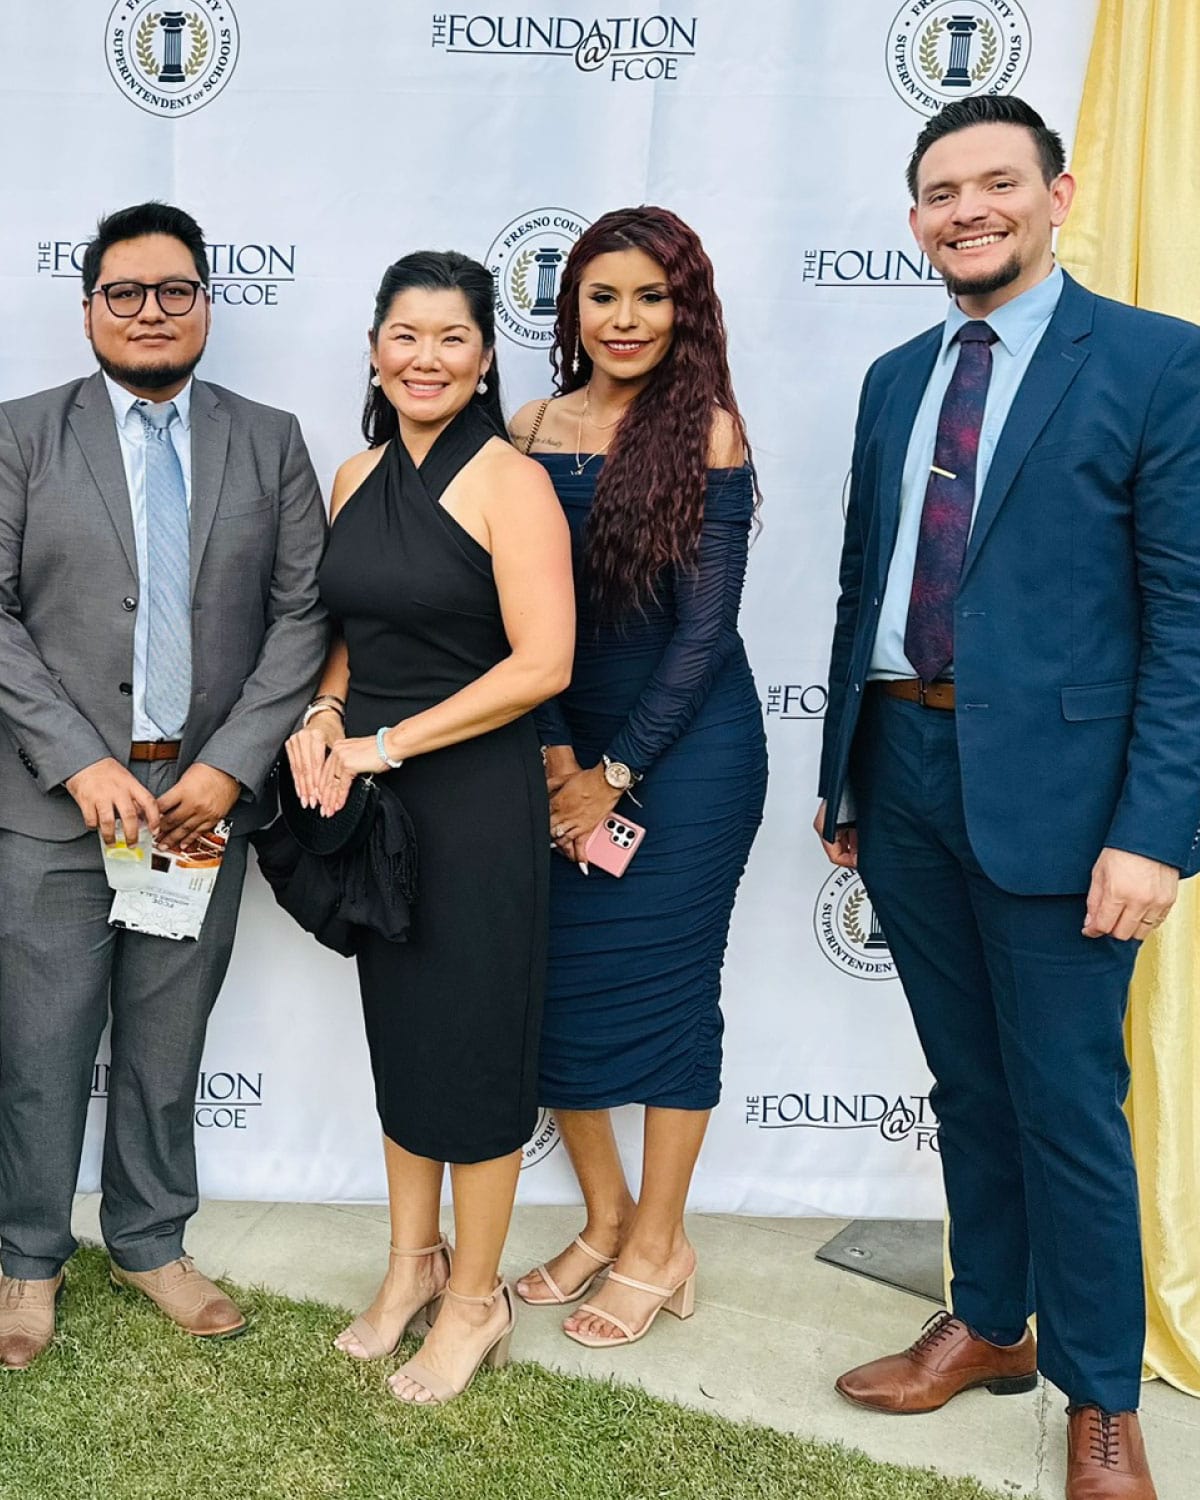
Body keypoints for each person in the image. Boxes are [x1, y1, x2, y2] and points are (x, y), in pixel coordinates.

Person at [815, 96, 1200, 1500]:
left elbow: (1190, 617)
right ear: (915, 216)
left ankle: (1102, 1400)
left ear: (1059, 193)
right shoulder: (891, 375)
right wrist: (845, 768)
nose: (966, 210)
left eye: (995, 184)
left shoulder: (1161, 364)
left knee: (1068, 1103)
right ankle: (987, 1322)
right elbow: (871, 583)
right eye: (939, 191)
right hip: (904, 770)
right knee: (969, 1083)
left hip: (1066, 797)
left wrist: (1158, 829)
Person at [0, 201, 328, 1369]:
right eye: (126, 292)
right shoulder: (21, 434)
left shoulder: (271, 438)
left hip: (199, 806)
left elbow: (302, 616)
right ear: (87, 304)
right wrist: (79, 760)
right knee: (39, 1045)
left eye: (175, 290)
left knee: (164, 1038)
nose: (151, 311)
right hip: (51, 806)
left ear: (205, 303)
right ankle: (26, 1263)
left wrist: (232, 767)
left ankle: (151, 1241)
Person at [285, 250, 573, 1405]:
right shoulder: (356, 474)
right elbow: (351, 632)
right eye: (405, 335)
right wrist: (324, 711)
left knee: (476, 1051)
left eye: (452, 337)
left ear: (486, 355)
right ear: (373, 349)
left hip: (473, 798)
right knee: (402, 1038)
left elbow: (544, 663)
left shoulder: (511, 480)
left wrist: (385, 744)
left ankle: (475, 1300)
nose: (426, 357)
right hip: (373, 793)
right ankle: (411, 1268)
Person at [508, 206, 767, 1349]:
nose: (625, 319)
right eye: (604, 295)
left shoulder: (707, 430)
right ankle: (607, 1217)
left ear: (685, 309)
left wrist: (614, 771)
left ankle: (662, 1247)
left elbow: (704, 637)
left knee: (668, 998)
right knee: (552, 989)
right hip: (564, 744)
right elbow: (521, 615)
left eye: (651, 297)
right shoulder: (526, 426)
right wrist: (563, 757)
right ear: (572, 306)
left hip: (692, 752)